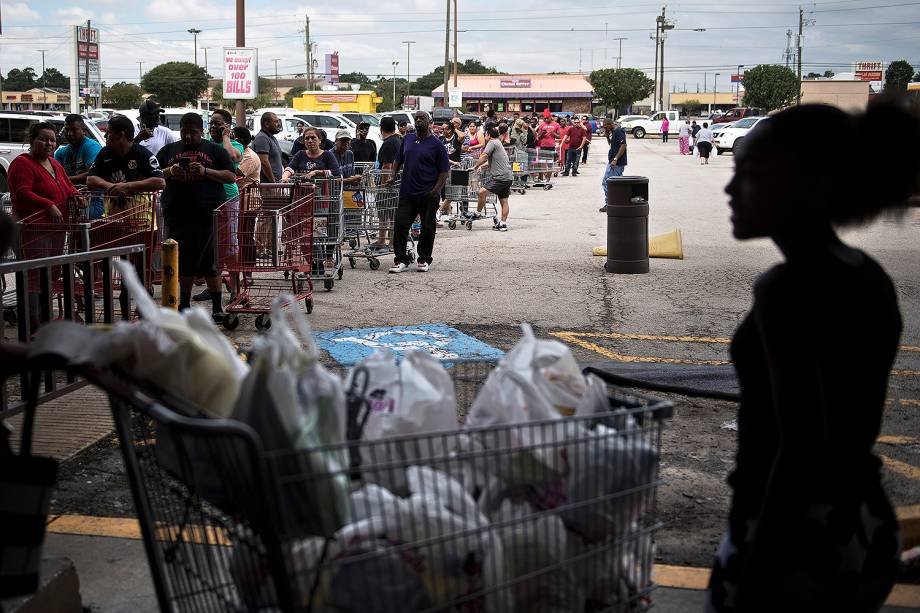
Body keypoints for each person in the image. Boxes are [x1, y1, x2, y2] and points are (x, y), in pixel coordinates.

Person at [706, 102, 920, 613]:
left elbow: (802, 445)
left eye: (751, 175)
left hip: (800, 532)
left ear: (806, 184)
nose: (731, 191)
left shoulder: (790, 289)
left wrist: (760, 566)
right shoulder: (863, 272)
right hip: (859, 518)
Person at [155, 113, 236, 321]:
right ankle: (184, 303)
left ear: (202, 131)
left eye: (193, 132)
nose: (188, 136)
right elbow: (154, 175)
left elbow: (230, 175)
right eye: (184, 131)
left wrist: (204, 170)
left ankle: (217, 307)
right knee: (183, 260)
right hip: (177, 213)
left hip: (208, 214)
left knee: (211, 262)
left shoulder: (214, 150)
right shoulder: (169, 151)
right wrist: (171, 171)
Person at [8, 122, 84, 326]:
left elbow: (67, 186)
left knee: (51, 273)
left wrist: (76, 195)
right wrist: (48, 204)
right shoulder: (22, 163)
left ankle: (44, 318)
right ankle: (32, 321)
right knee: (34, 275)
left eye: (52, 139)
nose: (48, 143)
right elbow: (22, 193)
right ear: (32, 140)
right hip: (34, 229)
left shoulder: (54, 162)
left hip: (57, 229)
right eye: (42, 138)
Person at [386, 111, 449, 273]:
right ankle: (401, 260)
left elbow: (444, 171)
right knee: (400, 225)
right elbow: (398, 160)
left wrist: (435, 191)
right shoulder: (407, 139)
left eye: (422, 118)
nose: (419, 120)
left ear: (429, 123)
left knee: (428, 227)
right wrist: (393, 176)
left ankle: (424, 259)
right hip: (407, 192)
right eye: (417, 118)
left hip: (428, 193)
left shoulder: (437, 145)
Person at [471, 126, 513, 232]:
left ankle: (477, 213)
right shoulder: (498, 142)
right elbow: (491, 161)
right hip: (508, 176)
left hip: (501, 177)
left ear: (489, 135)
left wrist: (475, 166)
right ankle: (503, 224)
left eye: (485, 135)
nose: (485, 136)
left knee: (482, 192)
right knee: (504, 200)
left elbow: (484, 155)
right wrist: (482, 166)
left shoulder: (492, 142)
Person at [54, 115, 102, 189]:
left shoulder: (91, 147)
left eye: (74, 130)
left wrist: (66, 179)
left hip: (92, 197)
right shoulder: (60, 153)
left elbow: (92, 175)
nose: (69, 133)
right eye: (66, 130)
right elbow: (56, 176)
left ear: (83, 131)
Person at [599, 119, 627, 213]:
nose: (605, 128)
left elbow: (623, 146)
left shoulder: (619, 131)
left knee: (608, 182)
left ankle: (610, 204)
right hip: (612, 161)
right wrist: (607, 135)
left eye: (606, 126)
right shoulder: (613, 132)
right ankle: (617, 203)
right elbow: (612, 145)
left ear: (610, 124)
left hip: (616, 162)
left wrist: (615, 159)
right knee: (616, 184)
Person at [252, 112, 283, 183]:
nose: (278, 124)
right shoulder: (262, 138)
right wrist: (273, 182)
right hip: (267, 185)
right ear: (266, 124)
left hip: (274, 184)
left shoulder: (271, 138)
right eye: (276, 122)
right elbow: (264, 162)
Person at [536, 113, 560, 182]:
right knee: (540, 163)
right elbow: (538, 137)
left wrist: (554, 134)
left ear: (551, 117)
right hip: (543, 146)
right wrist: (542, 134)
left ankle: (548, 179)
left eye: (547, 118)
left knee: (550, 163)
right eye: (545, 118)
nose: (546, 119)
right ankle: (540, 178)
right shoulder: (542, 125)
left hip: (551, 146)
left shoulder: (556, 124)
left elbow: (559, 136)